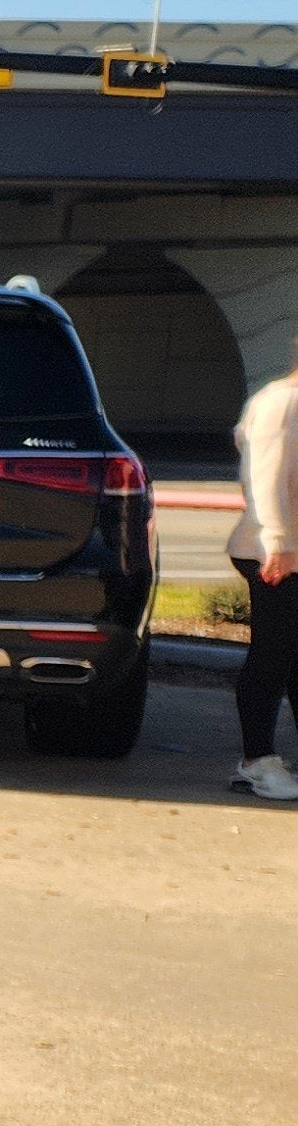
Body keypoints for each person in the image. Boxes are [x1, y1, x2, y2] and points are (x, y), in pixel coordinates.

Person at [234, 341, 298, 801]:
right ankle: (256, 761)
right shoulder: (282, 401)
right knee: (273, 657)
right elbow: (265, 474)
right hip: (274, 551)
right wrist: (277, 541)